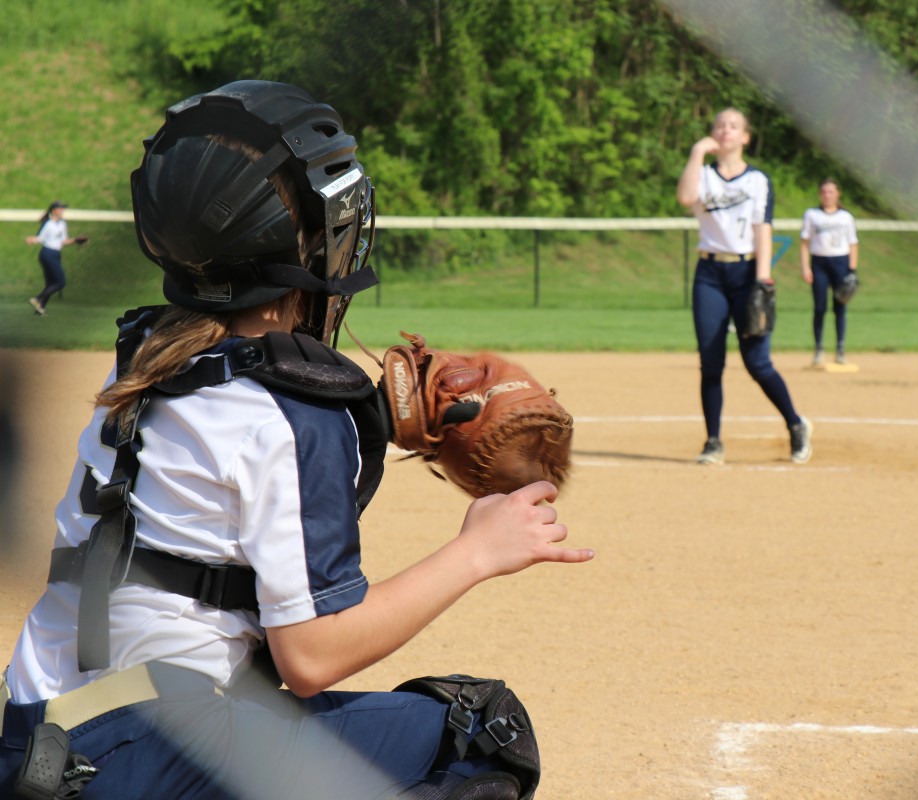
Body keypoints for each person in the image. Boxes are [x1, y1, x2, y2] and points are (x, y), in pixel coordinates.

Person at [0, 80, 592, 800]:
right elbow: (311, 656)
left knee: (249, 692)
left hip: (37, 743)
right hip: (145, 760)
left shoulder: (149, 352)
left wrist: (373, 413)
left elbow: (230, 455)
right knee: (477, 730)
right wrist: (477, 551)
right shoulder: (297, 418)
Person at [676, 107, 812, 466]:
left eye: (733, 126)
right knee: (711, 362)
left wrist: (763, 280)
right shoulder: (703, 175)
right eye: (720, 125)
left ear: (745, 137)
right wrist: (695, 153)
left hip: (746, 273)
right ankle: (713, 442)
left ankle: (796, 425)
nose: (725, 130)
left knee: (757, 362)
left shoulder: (757, 181)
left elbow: (761, 229)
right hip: (709, 274)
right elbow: (686, 199)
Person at [800, 179, 859, 365]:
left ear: (838, 194)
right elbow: (804, 243)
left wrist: (852, 270)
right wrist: (805, 266)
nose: (827, 195)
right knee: (819, 308)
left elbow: (853, 243)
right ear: (820, 194)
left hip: (840, 262)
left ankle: (840, 350)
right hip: (819, 263)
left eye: (831, 191)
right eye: (824, 192)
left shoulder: (845, 217)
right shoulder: (812, 214)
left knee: (840, 307)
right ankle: (818, 350)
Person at [25, 200, 85, 316]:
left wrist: (77, 240)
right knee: (60, 282)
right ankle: (38, 299)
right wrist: (32, 239)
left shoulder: (62, 224)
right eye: (61, 208)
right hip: (47, 253)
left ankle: (40, 308)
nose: (63, 211)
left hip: (55, 254)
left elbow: (63, 241)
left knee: (51, 282)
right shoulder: (48, 224)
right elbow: (40, 238)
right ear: (54, 210)